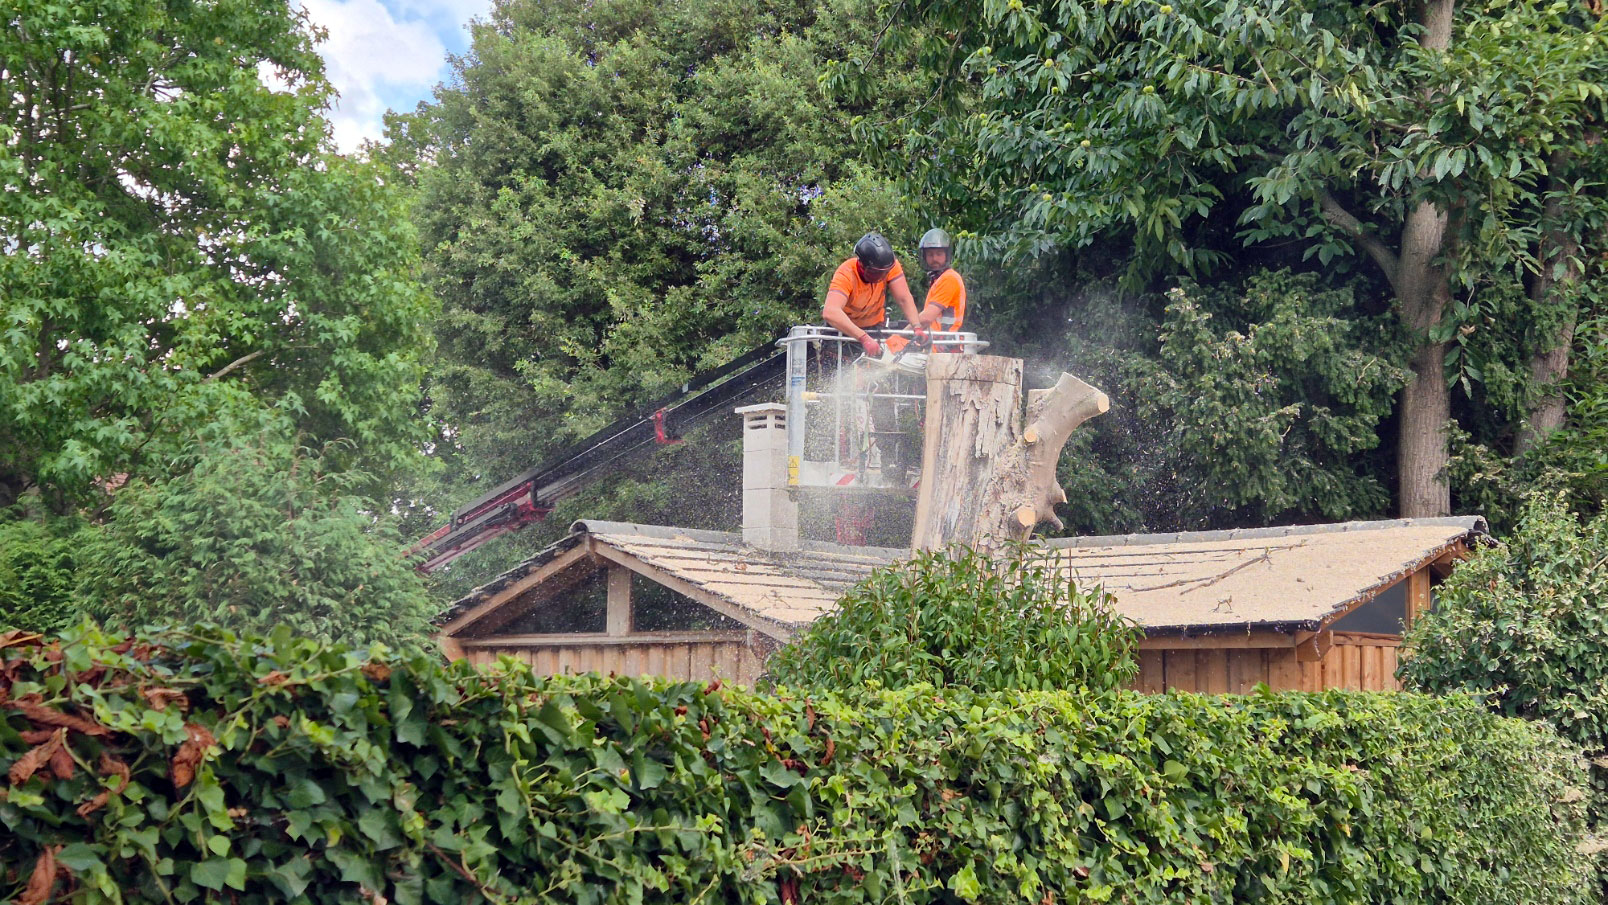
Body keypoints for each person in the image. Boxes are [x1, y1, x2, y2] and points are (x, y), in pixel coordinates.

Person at [821, 232, 928, 357]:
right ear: (862, 265)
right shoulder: (846, 273)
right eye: (877, 273)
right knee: (835, 368)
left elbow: (904, 298)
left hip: (873, 328)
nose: (882, 277)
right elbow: (830, 311)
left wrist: (917, 327)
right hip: (841, 332)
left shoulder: (889, 266)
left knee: (880, 366)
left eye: (885, 273)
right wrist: (863, 338)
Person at [914, 228, 966, 343]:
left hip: (943, 345)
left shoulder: (949, 279)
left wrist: (901, 335)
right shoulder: (938, 280)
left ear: (946, 255)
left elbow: (926, 318)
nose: (934, 259)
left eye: (939, 254)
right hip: (937, 344)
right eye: (930, 254)